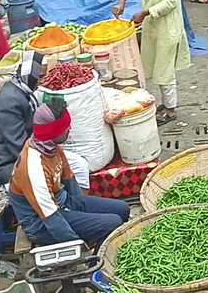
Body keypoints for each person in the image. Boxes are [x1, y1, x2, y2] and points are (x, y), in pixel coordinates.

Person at [9, 99, 130, 246]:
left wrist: (83, 212)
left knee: (122, 209)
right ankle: (95, 265)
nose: (70, 128)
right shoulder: (33, 168)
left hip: (63, 202)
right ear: (55, 132)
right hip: (41, 223)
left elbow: (69, 182)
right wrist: (79, 246)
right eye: (66, 127)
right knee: (112, 224)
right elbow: (51, 219)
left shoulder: (52, 147)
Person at [113, 0, 191, 125]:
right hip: (151, 26)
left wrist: (146, 12)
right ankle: (164, 104)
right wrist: (120, 3)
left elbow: (171, 1)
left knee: (165, 71)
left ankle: (170, 109)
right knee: (153, 66)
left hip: (167, 27)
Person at [0, 52, 91, 191]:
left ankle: (78, 203)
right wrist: (49, 160)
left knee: (79, 165)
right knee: (51, 177)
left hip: (33, 151)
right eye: (40, 76)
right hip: (9, 164)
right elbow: (17, 145)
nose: (42, 81)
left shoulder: (23, 91)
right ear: (29, 74)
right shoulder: (9, 101)